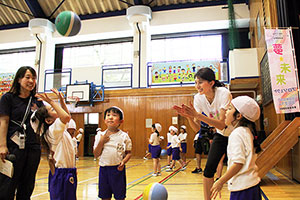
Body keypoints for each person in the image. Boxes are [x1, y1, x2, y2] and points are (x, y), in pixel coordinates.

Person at [173, 67, 232, 200]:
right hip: (221, 134)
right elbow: (197, 128)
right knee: (208, 171)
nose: (197, 86)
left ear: (211, 83)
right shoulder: (198, 99)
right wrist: (189, 117)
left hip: (235, 133)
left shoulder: (223, 93)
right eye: (195, 83)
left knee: (239, 168)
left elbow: (222, 123)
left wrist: (198, 115)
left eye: (200, 82)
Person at [0, 66, 43, 200]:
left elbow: (44, 125)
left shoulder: (38, 101)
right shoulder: (8, 98)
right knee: (7, 186)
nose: (31, 81)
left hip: (33, 148)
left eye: (34, 78)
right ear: (19, 79)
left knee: (27, 186)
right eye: (28, 77)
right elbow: (4, 122)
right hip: (13, 147)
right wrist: (2, 145)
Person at [211, 96, 262, 200]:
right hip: (252, 185)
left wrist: (220, 181)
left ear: (238, 116)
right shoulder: (247, 131)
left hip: (242, 189)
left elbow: (238, 163)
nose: (225, 112)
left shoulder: (237, 134)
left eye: (229, 109)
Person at [30, 88, 77, 200]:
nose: (57, 109)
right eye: (53, 109)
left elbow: (67, 116)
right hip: (62, 173)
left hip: (66, 172)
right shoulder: (52, 131)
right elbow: (66, 117)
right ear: (48, 120)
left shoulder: (56, 129)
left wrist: (61, 100)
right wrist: (51, 102)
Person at [93, 106, 132, 200]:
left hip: (118, 170)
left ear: (121, 121)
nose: (110, 117)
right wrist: (101, 141)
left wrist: (124, 162)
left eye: (114, 115)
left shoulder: (124, 136)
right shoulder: (100, 135)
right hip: (104, 170)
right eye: (108, 115)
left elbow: (129, 153)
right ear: (104, 120)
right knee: (105, 196)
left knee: (120, 196)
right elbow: (96, 154)